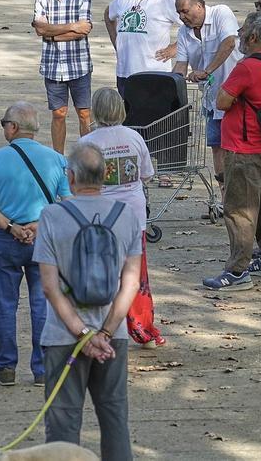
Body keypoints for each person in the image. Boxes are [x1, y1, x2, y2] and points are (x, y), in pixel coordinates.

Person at [34, 142, 141, 460]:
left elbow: (50, 288)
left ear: (70, 177)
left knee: (63, 427)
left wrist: (83, 334)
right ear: (106, 176)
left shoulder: (52, 216)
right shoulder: (127, 216)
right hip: (113, 337)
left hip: (62, 336)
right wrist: (104, 333)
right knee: (114, 418)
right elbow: (131, 282)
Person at [0, 102, 71, 387]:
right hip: (44, 238)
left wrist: (10, 227)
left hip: (6, 238)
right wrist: (40, 226)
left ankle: (6, 367)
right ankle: (42, 369)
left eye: (4, 122)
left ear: (13, 127)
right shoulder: (55, 159)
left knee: (5, 304)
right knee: (42, 304)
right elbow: (68, 204)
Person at [204, 12, 261, 291]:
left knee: (239, 210)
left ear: (251, 37)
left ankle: (238, 271)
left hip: (243, 148)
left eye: (241, 33)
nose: (238, 37)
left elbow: (223, 101)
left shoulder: (247, 66)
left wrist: (230, 94)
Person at [80, 88, 164, 346]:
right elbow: (146, 174)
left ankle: (103, 326)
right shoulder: (134, 137)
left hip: (101, 217)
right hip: (133, 217)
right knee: (136, 276)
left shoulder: (87, 143)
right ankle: (141, 326)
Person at [173, 0, 241, 188]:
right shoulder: (184, 32)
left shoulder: (221, 13)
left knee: (234, 149)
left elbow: (229, 43)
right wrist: (168, 83)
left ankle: (239, 196)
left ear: (199, 7)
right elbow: (180, 65)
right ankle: (224, 198)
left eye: (185, 11)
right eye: (178, 13)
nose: (181, 17)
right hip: (211, 101)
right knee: (216, 147)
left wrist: (207, 71)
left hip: (234, 99)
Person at [32, 0, 93, 154]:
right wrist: (72, 26)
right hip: (53, 66)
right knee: (58, 114)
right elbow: (40, 30)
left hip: (79, 64)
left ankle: (85, 157)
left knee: (84, 114)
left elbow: (84, 31)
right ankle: (58, 158)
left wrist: (53, 35)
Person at [104, 0, 181, 100]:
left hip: (154, 72)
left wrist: (175, 47)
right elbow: (108, 14)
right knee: (127, 118)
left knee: (153, 118)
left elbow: (189, 23)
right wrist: (117, 42)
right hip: (125, 72)